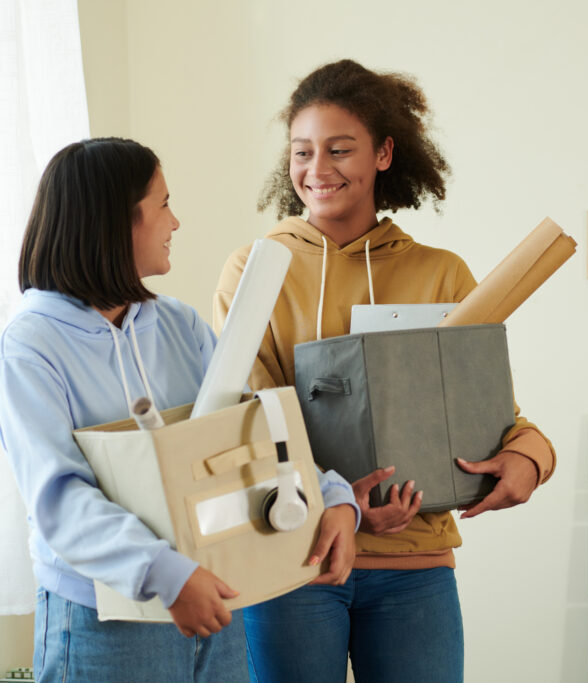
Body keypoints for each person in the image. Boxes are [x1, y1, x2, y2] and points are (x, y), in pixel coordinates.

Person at [215, 59, 556, 683]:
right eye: (302, 152)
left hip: (415, 570)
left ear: (384, 153)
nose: (316, 171)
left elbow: (490, 415)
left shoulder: (444, 273)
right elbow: (247, 420)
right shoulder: (253, 270)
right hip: (296, 560)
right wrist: (338, 502)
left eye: (339, 150)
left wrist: (531, 459)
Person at [0, 137, 358, 682]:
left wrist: (333, 497)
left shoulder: (179, 325)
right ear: (117, 222)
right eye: (164, 204)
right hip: (104, 621)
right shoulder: (31, 345)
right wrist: (166, 574)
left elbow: (248, 434)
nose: (176, 222)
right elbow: (60, 499)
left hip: (213, 599)